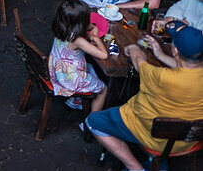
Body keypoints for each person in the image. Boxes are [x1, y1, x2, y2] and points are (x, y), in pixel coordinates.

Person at [85, 22, 203, 171]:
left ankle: (135, 167)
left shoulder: (161, 76)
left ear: (175, 51)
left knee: (93, 121)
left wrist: (132, 48)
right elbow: (188, 70)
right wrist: (160, 55)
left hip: (153, 136)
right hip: (189, 140)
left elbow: (138, 62)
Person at [48, 0, 108, 113]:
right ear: (81, 23)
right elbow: (103, 55)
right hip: (69, 77)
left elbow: (89, 26)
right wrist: (96, 39)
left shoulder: (61, 26)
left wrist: (93, 28)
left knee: (91, 67)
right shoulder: (77, 40)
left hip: (58, 69)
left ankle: (75, 100)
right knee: (104, 89)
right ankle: (91, 122)